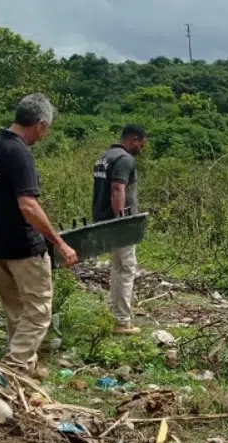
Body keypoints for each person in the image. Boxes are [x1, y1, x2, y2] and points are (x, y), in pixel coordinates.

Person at [0, 93, 78, 379]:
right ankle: (15, 368)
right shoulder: (18, 152)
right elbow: (28, 205)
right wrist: (59, 242)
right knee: (38, 311)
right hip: (22, 246)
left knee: (15, 308)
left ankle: (28, 362)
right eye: (46, 130)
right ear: (41, 124)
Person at [92, 124, 147, 335]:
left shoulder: (104, 157)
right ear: (134, 139)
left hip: (103, 219)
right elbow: (117, 189)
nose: (140, 149)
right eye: (140, 145)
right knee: (126, 269)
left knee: (117, 267)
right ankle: (122, 321)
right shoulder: (124, 159)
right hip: (119, 224)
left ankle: (114, 313)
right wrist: (121, 220)